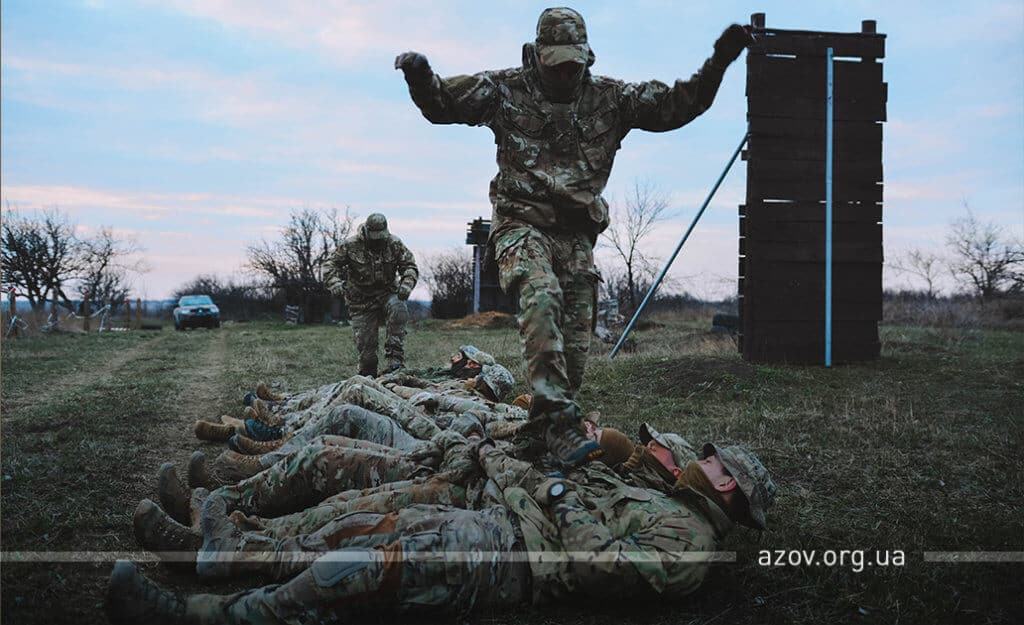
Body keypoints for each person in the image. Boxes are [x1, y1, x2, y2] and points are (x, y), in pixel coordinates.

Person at [395, 7, 753, 468]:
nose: (566, 71)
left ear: (587, 57)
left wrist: (719, 62)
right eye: (556, 62)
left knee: (573, 361)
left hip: (576, 239)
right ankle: (560, 427)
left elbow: (677, 107)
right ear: (537, 55)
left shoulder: (610, 99)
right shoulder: (504, 90)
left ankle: (541, 434)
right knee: (540, 295)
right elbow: (443, 105)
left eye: (574, 62)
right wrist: (421, 77)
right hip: (520, 226)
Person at [106, 437, 775, 624]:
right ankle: (214, 553)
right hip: (502, 521)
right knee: (354, 528)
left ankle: (202, 612)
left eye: (713, 461)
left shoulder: (689, 543)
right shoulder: (663, 497)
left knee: (358, 565)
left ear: (728, 487)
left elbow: (601, 566)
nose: (699, 458)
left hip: (516, 560)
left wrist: (563, 495)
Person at [324, 213, 418, 376]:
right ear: (366, 231)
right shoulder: (350, 245)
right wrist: (335, 283)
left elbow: (409, 266)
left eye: (380, 237)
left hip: (387, 293)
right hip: (361, 300)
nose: (377, 241)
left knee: (399, 308)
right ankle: (369, 377)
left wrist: (407, 284)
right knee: (367, 355)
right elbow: (330, 265)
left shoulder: (394, 244)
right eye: (374, 237)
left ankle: (395, 362)